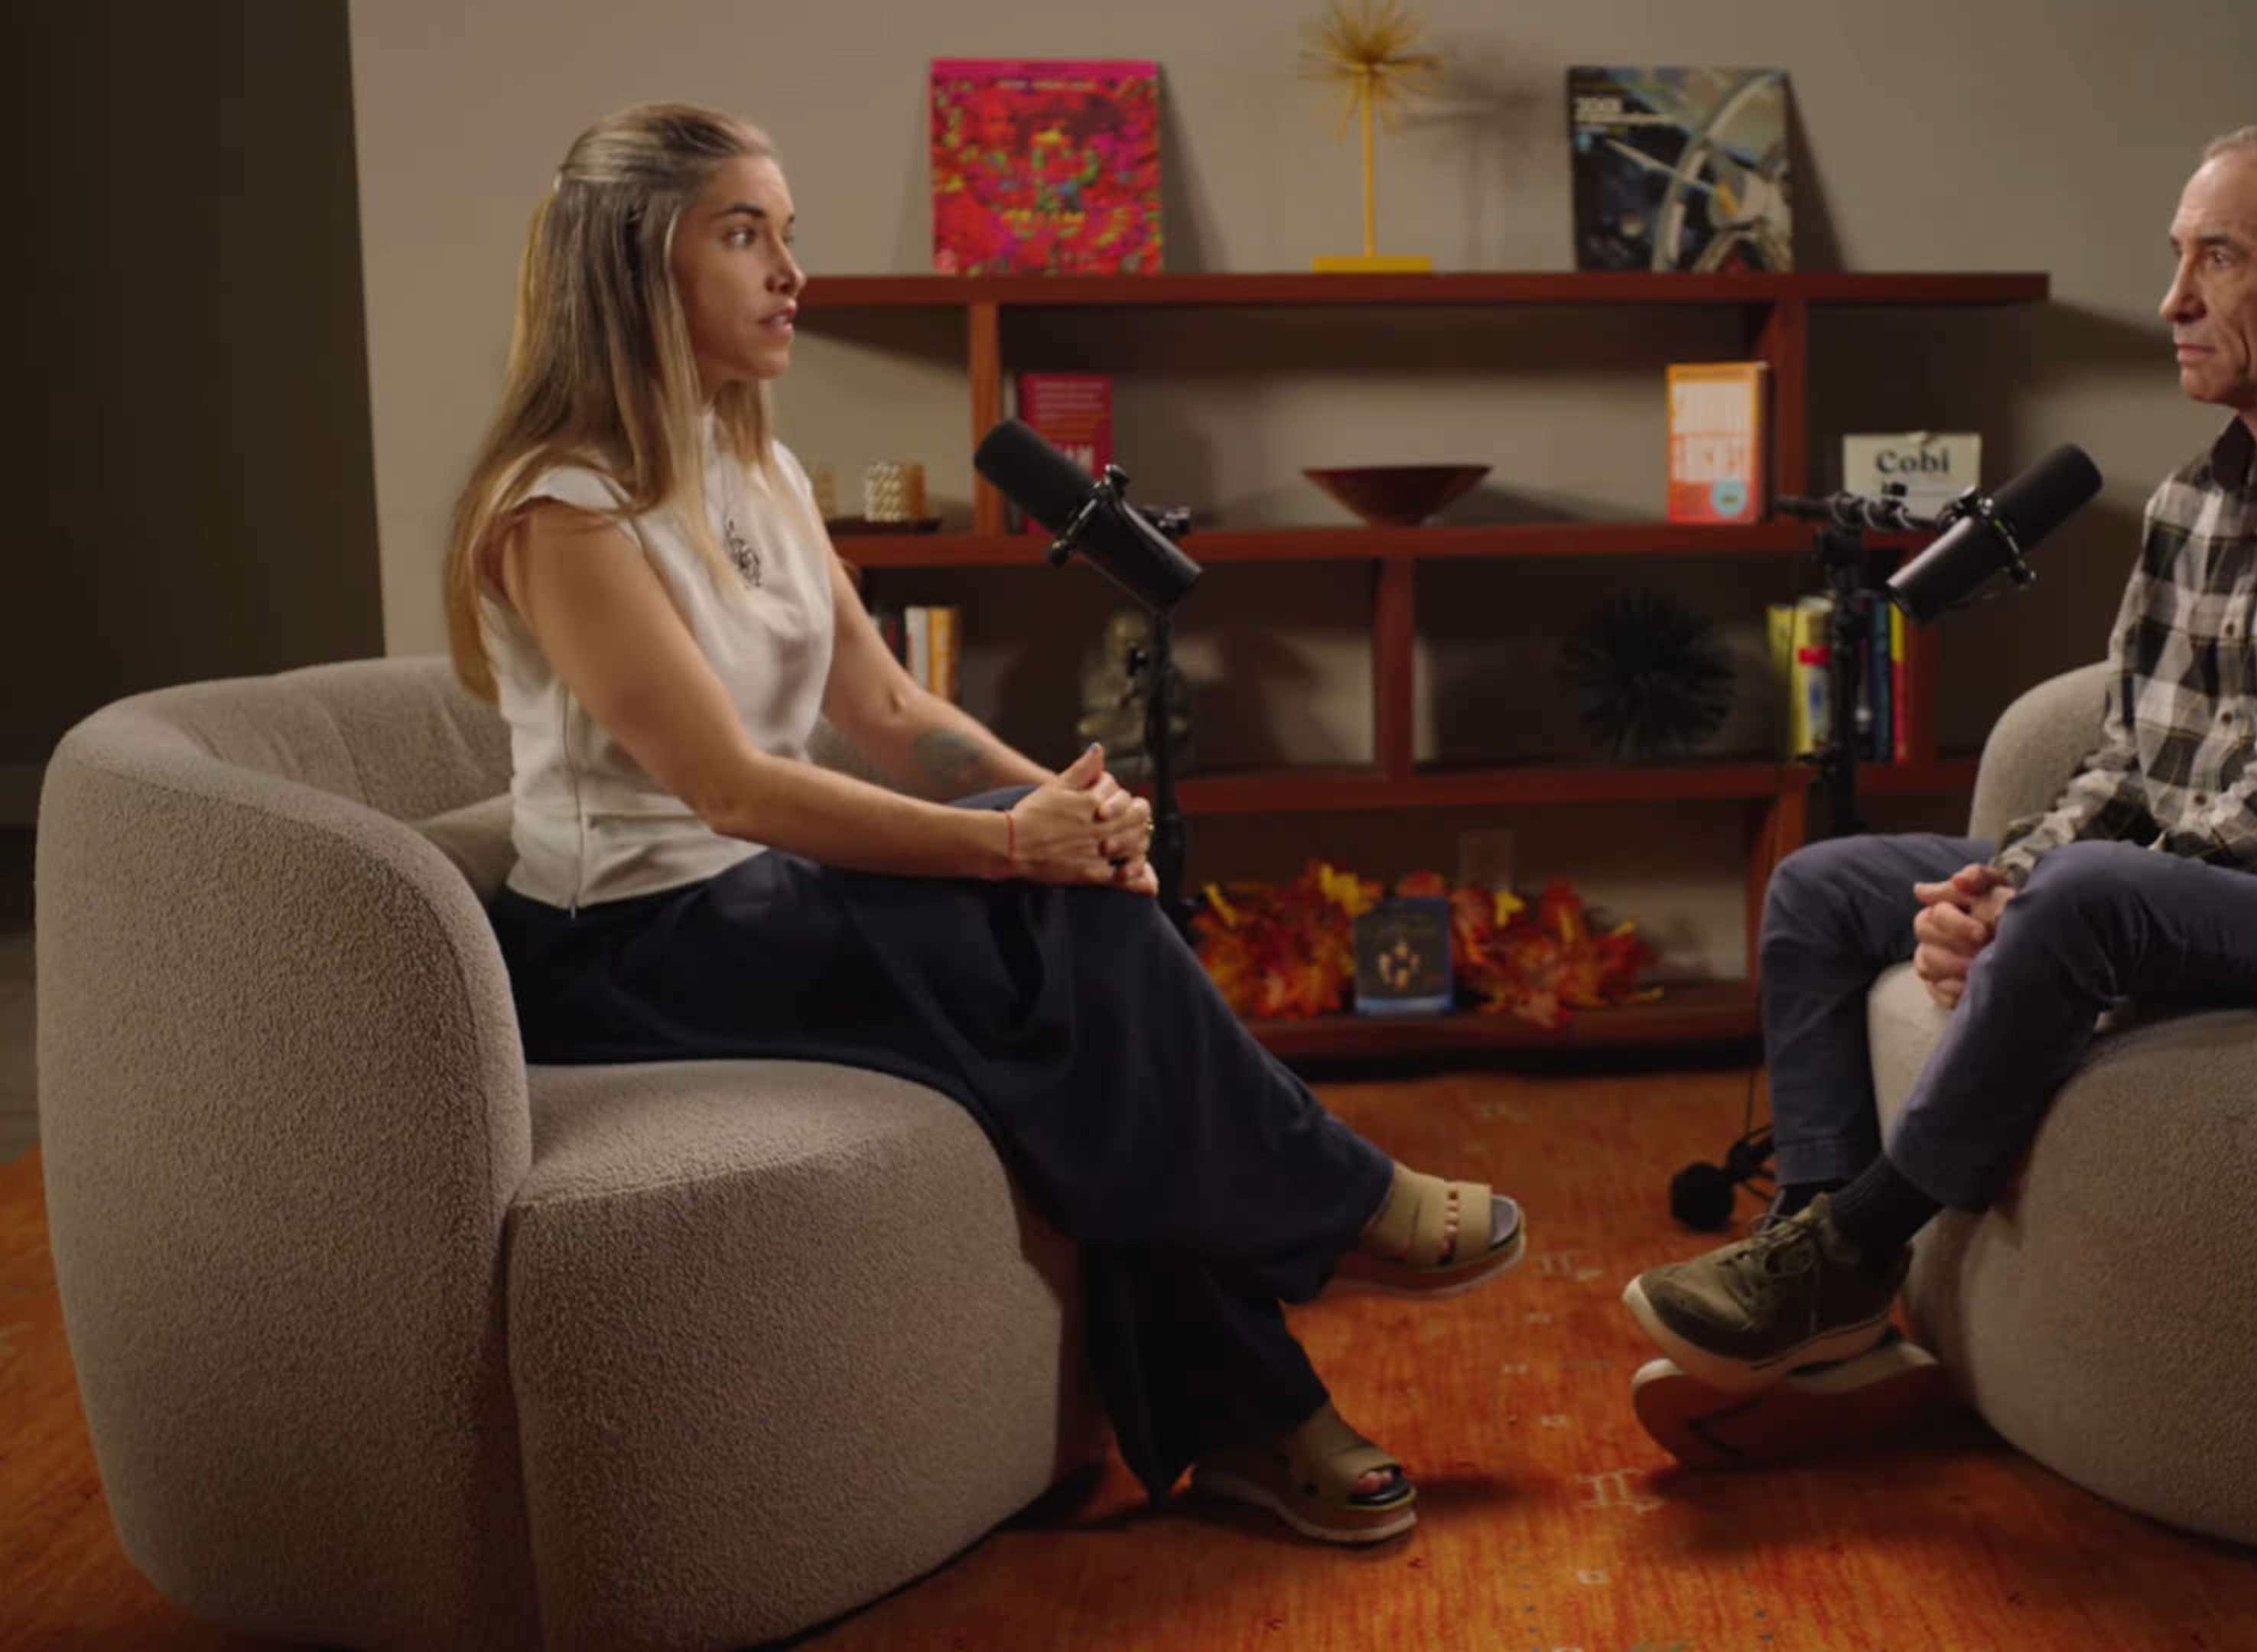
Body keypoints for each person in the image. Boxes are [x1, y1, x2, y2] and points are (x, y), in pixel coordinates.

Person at [444, 103, 1525, 1546]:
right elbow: (733, 791)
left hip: (759, 903)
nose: (790, 273)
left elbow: (893, 714)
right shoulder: (561, 507)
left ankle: (1261, 1422)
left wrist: (1077, 809)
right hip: (631, 947)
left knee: (1085, 1006)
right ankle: (1331, 1219)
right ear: (637, 266)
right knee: (1068, 959)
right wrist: (1021, 847)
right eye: (744, 234)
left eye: (788, 233)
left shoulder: (755, 466)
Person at [1621, 123, 2257, 1455]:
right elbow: (2125, 761)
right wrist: (1997, 880)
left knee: (2086, 893)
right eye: (2178, 257)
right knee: (1826, 889)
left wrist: (2037, 900)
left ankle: (1857, 1245)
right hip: (2176, 875)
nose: (2173, 300)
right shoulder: (2191, 501)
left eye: (2217, 260)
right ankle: (1820, 1272)